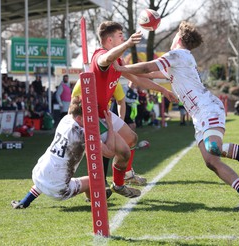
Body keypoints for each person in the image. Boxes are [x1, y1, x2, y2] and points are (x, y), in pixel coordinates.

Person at [113, 21, 239, 209]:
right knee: (211, 162)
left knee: (213, 147)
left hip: (207, 108)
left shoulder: (177, 54)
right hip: (199, 115)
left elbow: (148, 68)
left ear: (179, 38)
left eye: (174, 35)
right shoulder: (179, 59)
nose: (172, 38)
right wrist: (123, 70)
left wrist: (122, 69)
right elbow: (148, 75)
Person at [71, 21, 177, 199]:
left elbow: (138, 79)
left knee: (132, 138)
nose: (124, 37)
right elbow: (106, 59)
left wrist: (164, 91)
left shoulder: (118, 61)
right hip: (90, 116)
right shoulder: (101, 56)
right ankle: (104, 186)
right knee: (119, 151)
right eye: (121, 35)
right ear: (110, 40)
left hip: (104, 112)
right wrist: (128, 44)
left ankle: (119, 181)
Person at [11, 97, 117, 209]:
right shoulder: (84, 134)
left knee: (50, 174)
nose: (93, 120)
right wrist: (110, 125)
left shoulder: (65, 119)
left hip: (38, 174)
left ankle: (25, 201)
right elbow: (110, 153)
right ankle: (95, 198)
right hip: (59, 190)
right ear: (80, 118)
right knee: (93, 180)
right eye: (89, 117)